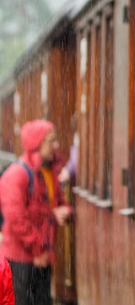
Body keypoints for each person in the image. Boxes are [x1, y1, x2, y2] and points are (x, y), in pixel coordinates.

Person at [0, 119, 72, 305]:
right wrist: (38, 248)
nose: (56, 146)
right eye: (50, 141)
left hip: (42, 258)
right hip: (20, 260)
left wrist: (64, 211)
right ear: (36, 142)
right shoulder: (18, 174)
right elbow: (16, 218)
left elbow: (54, 204)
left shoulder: (49, 171)